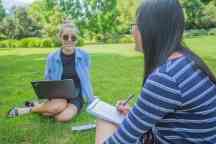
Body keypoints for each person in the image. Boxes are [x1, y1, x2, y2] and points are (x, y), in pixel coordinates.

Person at [96, 0, 216, 143]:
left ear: (150, 29)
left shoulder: (165, 77)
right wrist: (136, 115)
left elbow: (119, 140)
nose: (133, 31)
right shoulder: (186, 61)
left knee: (104, 121)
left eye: (135, 25)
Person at [8, 20, 94, 123]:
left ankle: (40, 106)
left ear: (76, 39)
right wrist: (52, 96)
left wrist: (89, 97)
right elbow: (48, 78)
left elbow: (86, 77)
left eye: (73, 37)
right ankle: (25, 110)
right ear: (60, 38)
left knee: (61, 117)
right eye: (65, 37)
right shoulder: (52, 57)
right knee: (56, 108)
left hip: (76, 95)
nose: (69, 40)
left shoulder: (84, 55)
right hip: (59, 94)